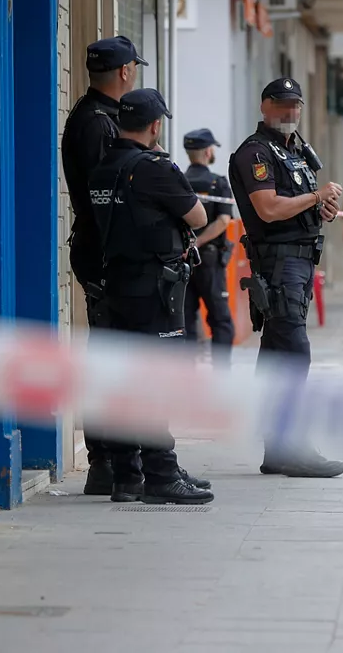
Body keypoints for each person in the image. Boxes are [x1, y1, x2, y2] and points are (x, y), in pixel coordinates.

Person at [87, 88, 214, 504]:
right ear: (155, 125)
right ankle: (161, 472)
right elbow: (199, 216)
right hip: (153, 289)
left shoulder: (104, 166)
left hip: (112, 286)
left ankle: (128, 476)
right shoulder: (154, 168)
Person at [229, 77, 343, 479]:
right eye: (281, 104)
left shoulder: (294, 150)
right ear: (264, 106)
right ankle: (291, 446)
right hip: (278, 264)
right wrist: (315, 197)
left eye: (295, 105)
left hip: (298, 263)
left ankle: (279, 448)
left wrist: (321, 209)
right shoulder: (255, 153)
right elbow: (268, 209)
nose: (289, 111)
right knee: (294, 353)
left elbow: (299, 206)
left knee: (278, 354)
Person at [60, 35, 143, 497]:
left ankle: (115, 460)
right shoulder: (97, 124)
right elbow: (107, 199)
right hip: (106, 253)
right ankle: (108, 463)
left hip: (107, 250)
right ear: (126, 73)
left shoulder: (100, 117)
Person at [180, 128, 235, 368]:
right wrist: (198, 242)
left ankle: (190, 377)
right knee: (221, 321)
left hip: (182, 262)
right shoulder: (218, 183)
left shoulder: (179, 181)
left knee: (187, 319)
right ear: (207, 151)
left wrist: (187, 245)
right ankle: (220, 375)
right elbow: (223, 221)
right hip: (209, 262)